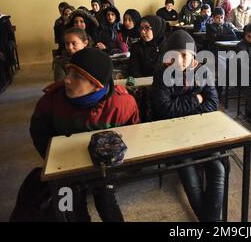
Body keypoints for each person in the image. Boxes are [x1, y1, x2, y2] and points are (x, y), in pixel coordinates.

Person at [30, 47, 140, 221]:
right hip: (66, 166)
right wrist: (56, 160)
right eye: (69, 72)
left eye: (77, 77)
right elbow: (39, 133)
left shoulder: (122, 103)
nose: (66, 80)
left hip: (104, 167)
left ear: (97, 86)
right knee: (71, 207)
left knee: (107, 201)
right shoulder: (51, 101)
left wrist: (113, 161)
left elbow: (133, 132)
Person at [151, 30, 224, 222]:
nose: (180, 60)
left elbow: (213, 104)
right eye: (175, 55)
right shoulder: (161, 75)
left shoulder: (203, 71)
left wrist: (184, 107)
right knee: (187, 167)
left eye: (185, 55)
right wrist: (196, 98)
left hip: (202, 130)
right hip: (174, 133)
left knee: (218, 168)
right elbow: (165, 110)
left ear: (193, 56)